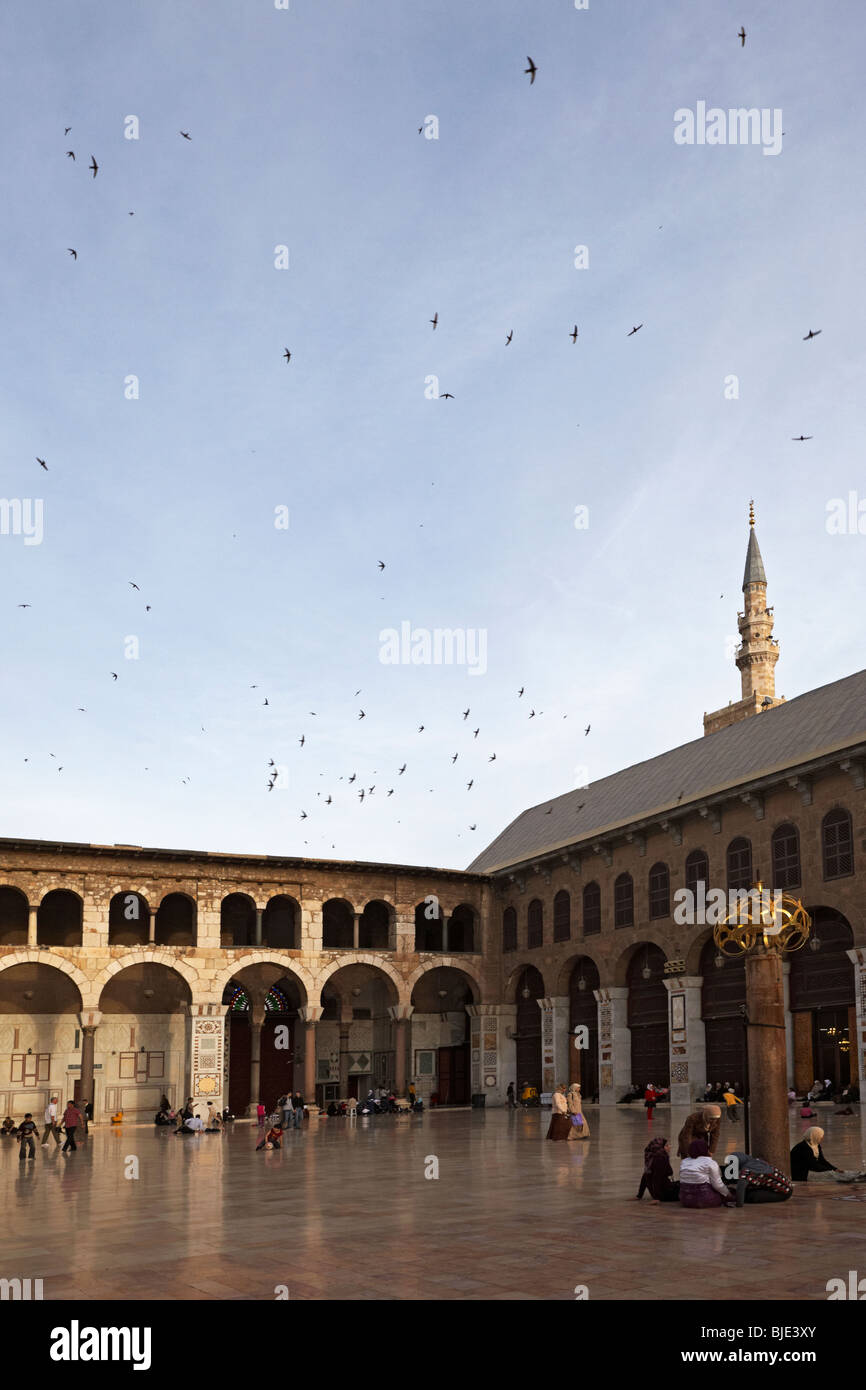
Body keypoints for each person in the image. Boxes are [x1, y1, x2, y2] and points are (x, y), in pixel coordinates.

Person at [678, 1139, 736, 1208]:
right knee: (723, 1194)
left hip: (685, 1200)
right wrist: (728, 1194)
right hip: (704, 1199)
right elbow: (718, 1185)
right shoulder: (710, 1162)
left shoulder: (684, 1161)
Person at [724, 1152, 793, 1205]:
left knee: (750, 1196)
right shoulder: (755, 1161)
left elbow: (740, 1190)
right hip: (787, 1187)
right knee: (748, 1190)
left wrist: (736, 1203)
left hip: (783, 1193)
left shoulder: (747, 1170)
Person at [636, 1136, 679, 1202]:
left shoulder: (650, 1158)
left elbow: (645, 1176)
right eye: (666, 1146)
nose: (669, 1147)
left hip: (658, 1193)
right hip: (666, 1193)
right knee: (686, 1186)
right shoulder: (661, 1158)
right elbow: (657, 1178)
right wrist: (657, 1198)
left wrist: (639, 1195)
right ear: (660, 1148)